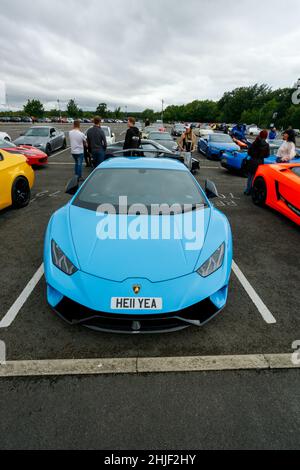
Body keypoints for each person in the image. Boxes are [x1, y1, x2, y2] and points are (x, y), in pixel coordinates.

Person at [244, 130, 270, 195]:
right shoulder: (266, 145)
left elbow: (249, 152)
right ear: (266, 136)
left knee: (250, 176)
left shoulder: (254, 143)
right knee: (255, 177)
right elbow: (267, 155)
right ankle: (251, 190)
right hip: (260, 161)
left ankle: (247, 190)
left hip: (252, 160)